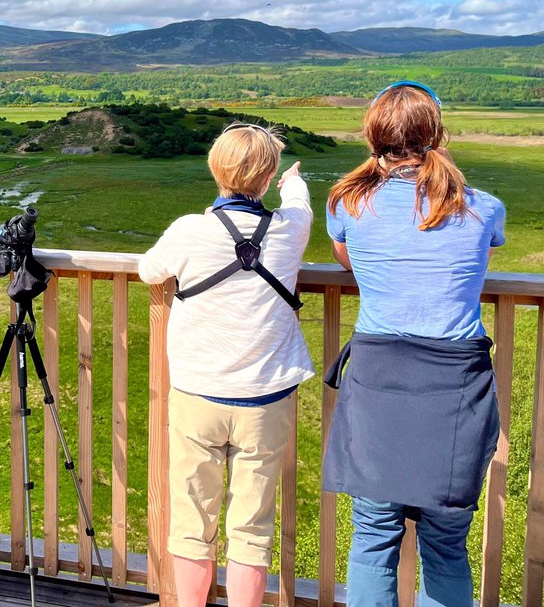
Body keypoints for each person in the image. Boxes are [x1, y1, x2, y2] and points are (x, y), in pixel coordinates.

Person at [324, 82, 503, 607]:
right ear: (438, 134)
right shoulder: (483, 207)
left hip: (380, 379)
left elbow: (348, 259)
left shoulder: (348, 202)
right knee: (447, 546)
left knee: (373, 538)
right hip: (454, 387)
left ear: (373, 135)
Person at [137, 123, 314, 607]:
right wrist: (292, 181)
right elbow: (299, 204)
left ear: (215, 168)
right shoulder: (290, 230)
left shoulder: (189, 230)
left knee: (194, 520)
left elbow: (149, 270)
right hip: (266, 398)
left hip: (197, 394)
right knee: (252, 525)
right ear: (269, 172)